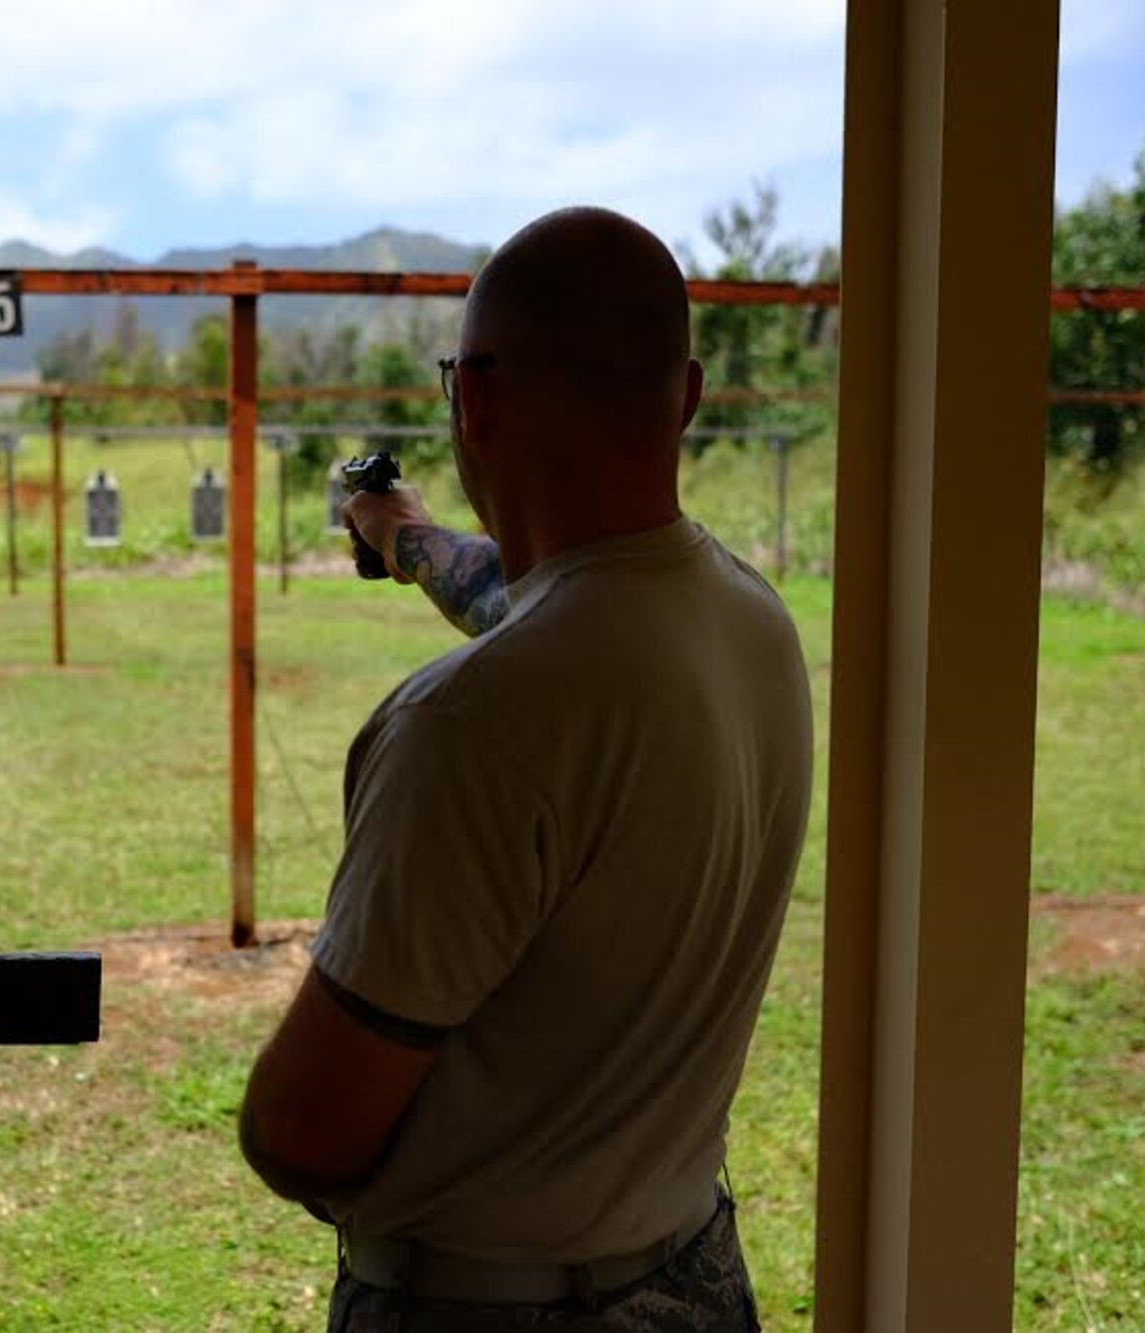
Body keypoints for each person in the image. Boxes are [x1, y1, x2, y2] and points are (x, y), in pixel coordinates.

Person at [236, 206, 813, 1331]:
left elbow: (300, 1133)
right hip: (692, 1276)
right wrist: (399, 529)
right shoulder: (748, 621)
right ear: (685, 396)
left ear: (476, 402)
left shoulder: (468, 726)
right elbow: (533, 597)